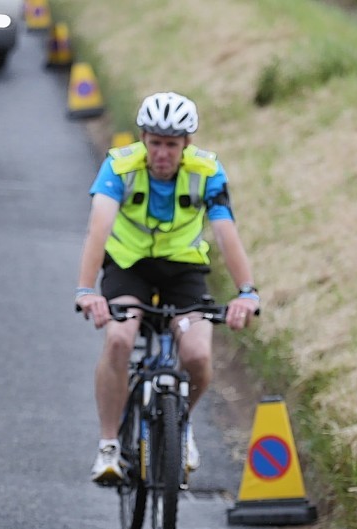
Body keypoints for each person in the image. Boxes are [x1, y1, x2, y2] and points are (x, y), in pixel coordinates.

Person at [75, 92, 258, 484]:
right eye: (154, 142)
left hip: (183, 269)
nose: (162, 153)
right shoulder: (119, 166)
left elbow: (227, 233)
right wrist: (86, 290)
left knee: (197, 357)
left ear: (186, 145)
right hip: (128, 265)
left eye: (171, 145)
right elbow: (99, 227)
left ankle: (180, 423)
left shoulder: (207, 172)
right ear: (142, 138)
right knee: (121, 339)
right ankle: (108, 445)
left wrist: (246, 292)